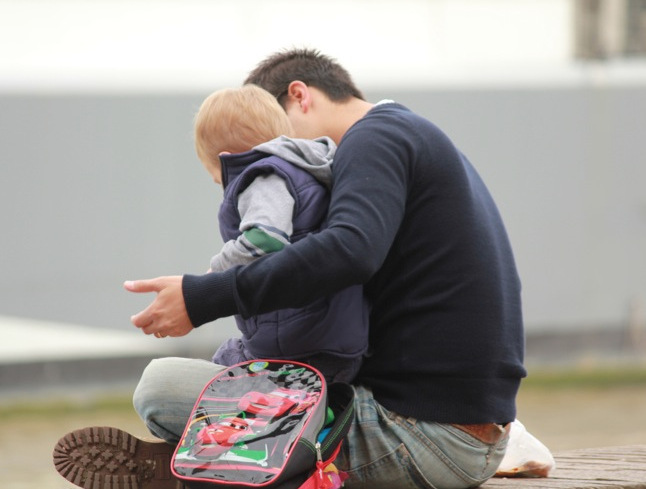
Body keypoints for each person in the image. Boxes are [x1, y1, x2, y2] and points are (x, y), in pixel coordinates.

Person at [53, 49, 527, 489]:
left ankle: (201, 473)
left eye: (276, 136)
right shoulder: (410, 136)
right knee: (228, 384)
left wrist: (204, 297)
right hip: (463, 427)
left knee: (162, 388)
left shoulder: (375, 138)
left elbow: (349, 251)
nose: (278, 160)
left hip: (421, 436)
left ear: (299, 97)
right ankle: (211, 465)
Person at [193, 84, 368, 383]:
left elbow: (265, 240)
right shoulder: (311, 172)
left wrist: (214, 274)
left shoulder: (263, 177)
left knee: (221, 365)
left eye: (216, 178)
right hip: (337, 339)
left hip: (296, 345)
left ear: (225, 160)